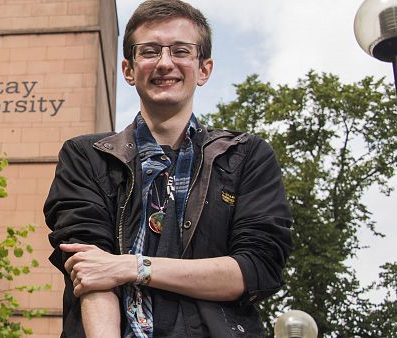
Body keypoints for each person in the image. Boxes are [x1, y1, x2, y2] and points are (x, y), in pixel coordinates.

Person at [43, 1, 293, 337]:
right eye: (148, 51)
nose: (164, 63)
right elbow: (90, 270)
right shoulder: (86, 156)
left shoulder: (247, 157)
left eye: (180, 51)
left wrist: (133, 266)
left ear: (203, 69)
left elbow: (256, 269)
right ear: (128, 70)